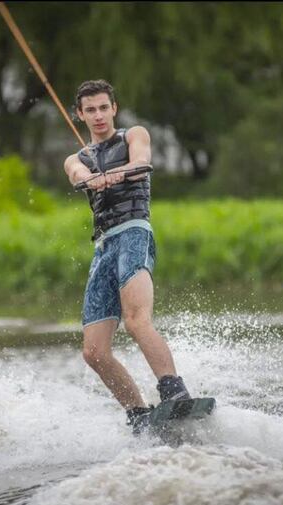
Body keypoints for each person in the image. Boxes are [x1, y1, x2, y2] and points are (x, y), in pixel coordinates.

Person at [63, 79, 192, 435]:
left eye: (104, 107)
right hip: (103, 246)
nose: (99, 115)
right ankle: (138, 413)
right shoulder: (77, 158)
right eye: (91, 110)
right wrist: (90, 178)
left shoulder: (134, 134)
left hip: (134, 232)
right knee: (94, 352)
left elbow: (141, 163)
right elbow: (77, 174)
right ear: (80, 115)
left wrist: (113, 175)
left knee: (136, 320)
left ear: (113, 108)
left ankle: (174, 390)